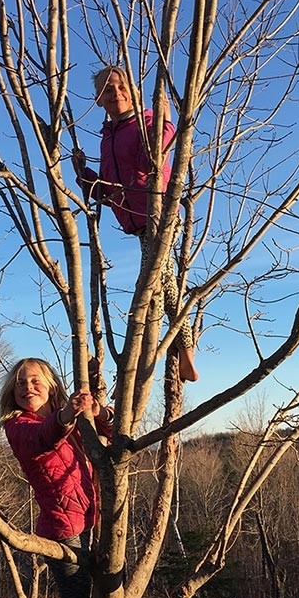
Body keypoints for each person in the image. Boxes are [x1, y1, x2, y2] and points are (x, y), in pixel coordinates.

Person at [0, 357, 114, 598]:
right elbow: (45, 437)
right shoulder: (19, 427)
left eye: (35, 380)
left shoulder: (73, 423)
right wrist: (68, 414)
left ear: (51, 385)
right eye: (20, 383)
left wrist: (98, 412)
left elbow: (109, 440)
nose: (26, 387)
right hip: (64, 536)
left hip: (92, 526)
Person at [73, 65, 200, 382]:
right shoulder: (107, 140)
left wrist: (164, 122)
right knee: (162, 287)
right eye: (106, 89)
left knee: (151, 287)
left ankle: (160, 359)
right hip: (135, 223)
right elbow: (105, 189)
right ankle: (169, 355)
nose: (115, 92)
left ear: (133, 91)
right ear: (98, 100)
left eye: (120, 86)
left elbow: (162, 149)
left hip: (159, 216)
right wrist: (82, 174)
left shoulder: (147, 123)